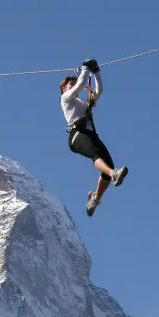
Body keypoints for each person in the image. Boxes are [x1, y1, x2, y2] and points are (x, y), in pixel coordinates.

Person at [60, 58, 128, 216]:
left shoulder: (84, 104)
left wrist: (96, 72)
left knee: (108, 163)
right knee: (96, 155)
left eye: (73, 83)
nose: (72, 84)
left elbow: (100, 90)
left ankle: (95, 198)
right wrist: (85, 68)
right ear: (63, 89)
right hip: (77, 135)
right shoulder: (66, 99)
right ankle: (113, 174)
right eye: (69, 84)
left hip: (90, 134)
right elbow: (81, 84)